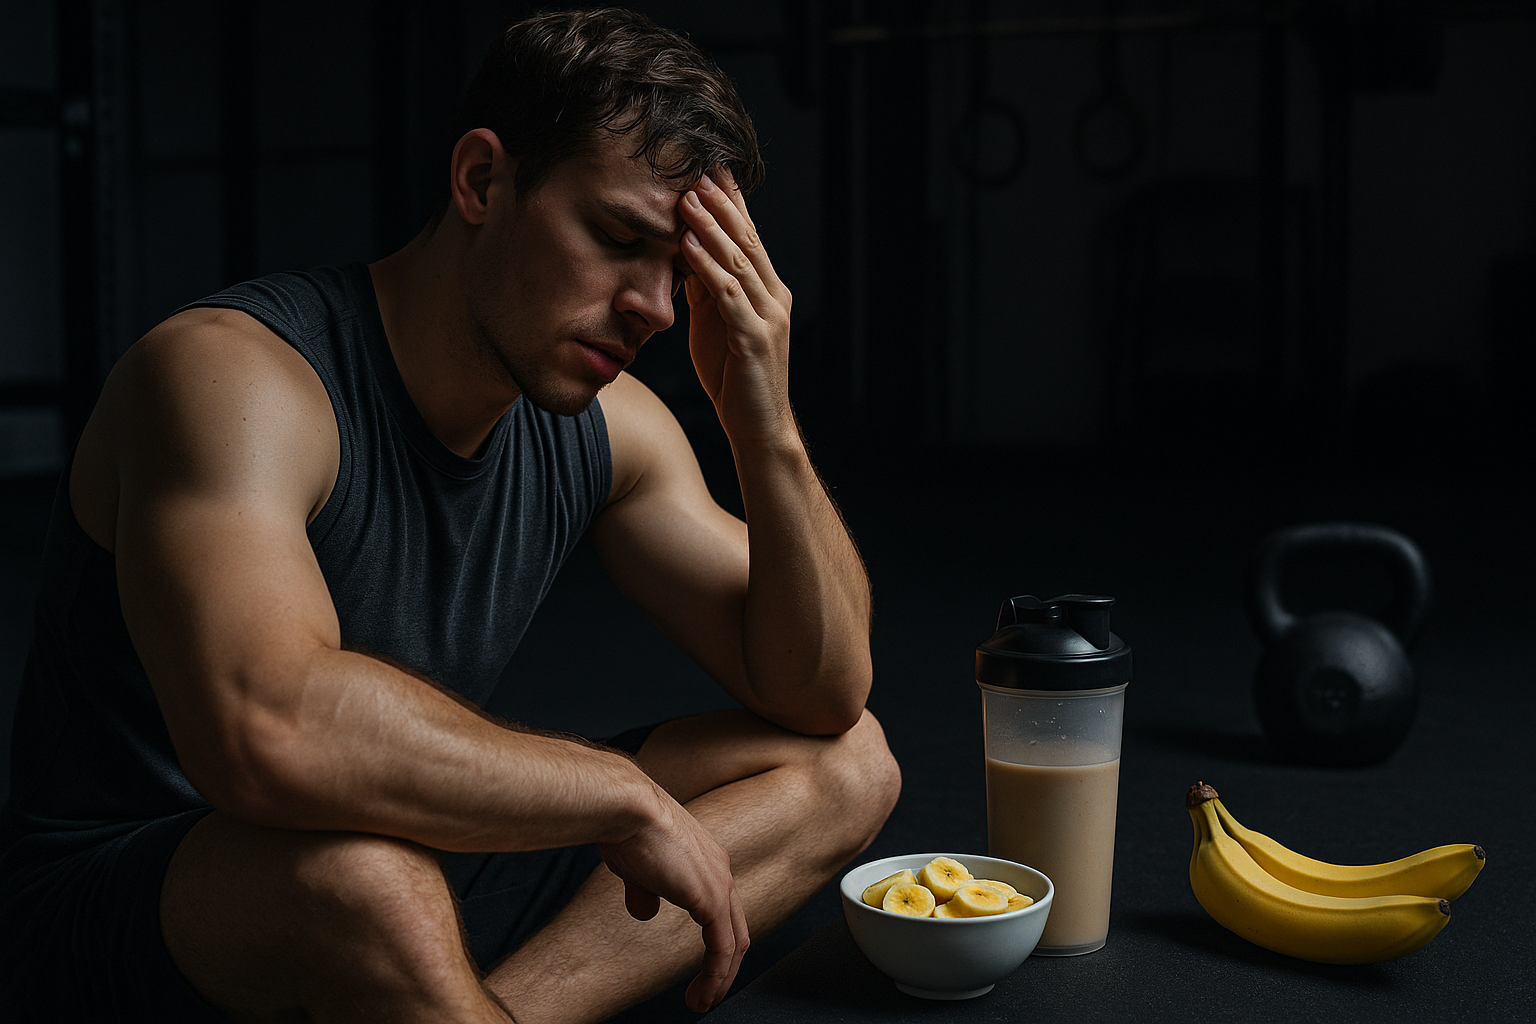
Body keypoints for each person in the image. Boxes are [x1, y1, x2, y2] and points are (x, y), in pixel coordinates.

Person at [0, 8, 901, 1022]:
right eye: (618, 239)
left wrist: (765, 422)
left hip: (398, 860)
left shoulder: (615, 428)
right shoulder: (234, 378)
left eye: (681, 272)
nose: (654, 304)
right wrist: (617, 791)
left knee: (848, 764)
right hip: (132, 912)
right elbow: (268, 729)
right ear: (482, 180)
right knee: (368, 882)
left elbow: (820, 692)